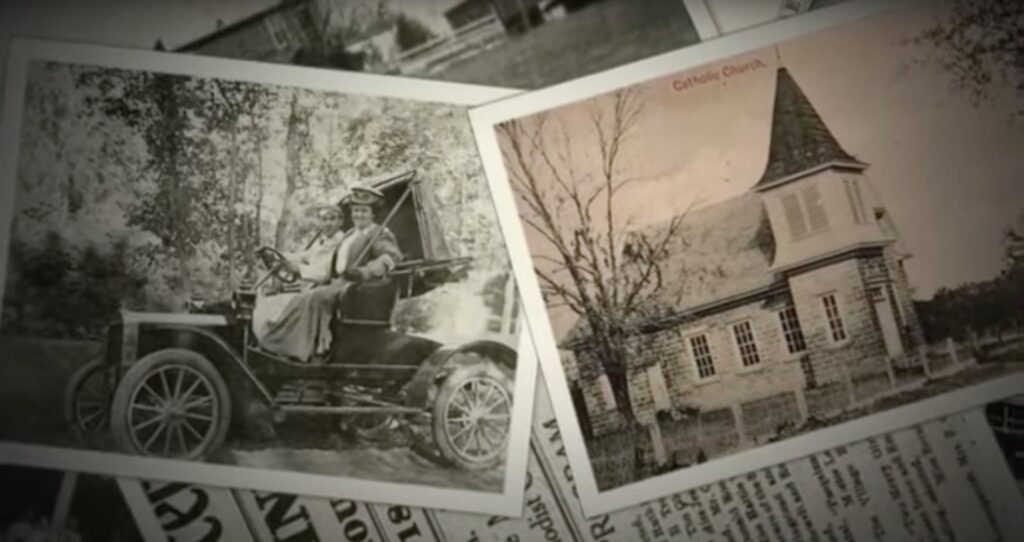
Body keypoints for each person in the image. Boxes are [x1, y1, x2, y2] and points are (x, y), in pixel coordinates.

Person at [254, 186, 402, 362]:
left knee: (313, 298)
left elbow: (390, 257)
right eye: (355, 210)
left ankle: (307, 350)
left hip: (356, 287)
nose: (358, 215)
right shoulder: (349, 234)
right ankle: (285, 343)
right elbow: (331, 267)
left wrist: (366, 271)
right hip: (336, 283)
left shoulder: (379, 234)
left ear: (372, 214)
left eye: (363, 211)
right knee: (303, 295)